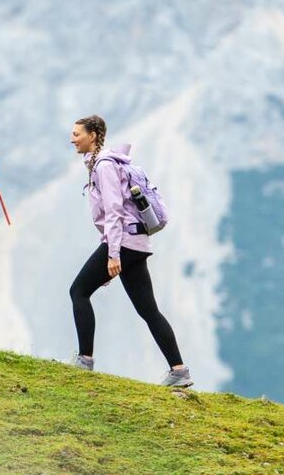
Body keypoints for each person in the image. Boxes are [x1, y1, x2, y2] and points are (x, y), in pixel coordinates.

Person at [68, 115, 192, 387]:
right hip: (134, 243)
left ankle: (84, 360)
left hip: (122, 243)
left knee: (78, 291)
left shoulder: (104, 166)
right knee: (148, 309)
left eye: (77, 134)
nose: (72, 139)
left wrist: (113, 255)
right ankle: (179, 370)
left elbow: (113, 211)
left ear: (94, 134)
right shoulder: (104, 164)